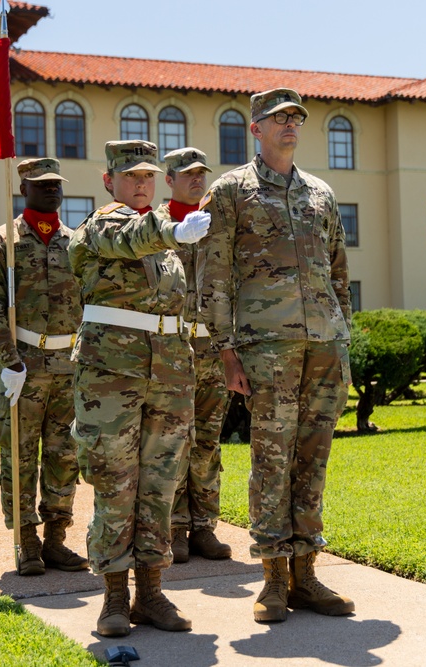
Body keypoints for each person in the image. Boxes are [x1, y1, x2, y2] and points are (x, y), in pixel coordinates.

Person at [200, 88, 355, 623]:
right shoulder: (229, 193)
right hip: (266, 347)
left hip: (324, 346)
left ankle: (307, 576)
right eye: (278, 119)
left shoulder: (320, 193)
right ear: (255, 128)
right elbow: (213, 275)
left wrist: (344, 339)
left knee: (313, 458)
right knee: (271, 459)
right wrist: (224, 350)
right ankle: (271, 580)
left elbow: (339, 272)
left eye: (296, 119)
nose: (290, 126)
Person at [68, 140, 210, 638]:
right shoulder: (100, 226)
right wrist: (172, 228)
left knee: (161, 485)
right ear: (109, 181)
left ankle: (150, 593)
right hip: (112, 377)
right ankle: (112, 599)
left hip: (169, 375)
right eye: (131, 176)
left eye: (149, 175)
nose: (142, 183)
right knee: (115, 484)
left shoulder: (166, 245)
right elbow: (130, 238)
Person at [0, 157, 89, 579]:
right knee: (18, 457)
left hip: (67, 366)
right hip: (22, 367)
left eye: (56, 184)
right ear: (24, 189)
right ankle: (27, 541)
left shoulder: (76, 243)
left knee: (64, 455)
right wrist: (8, 359)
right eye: (42, 185)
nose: (52, 190)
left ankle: (56, 539)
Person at [156, 147, 232, 563]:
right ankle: (175, 528)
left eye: (202, 172)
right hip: (172, 348)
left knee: (207, 441)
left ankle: (205, 527)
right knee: (174, 441)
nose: (197, 179)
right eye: (187, 174)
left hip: (214, 349)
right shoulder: (157, 226)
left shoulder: (220, 224)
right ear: (169, 180)